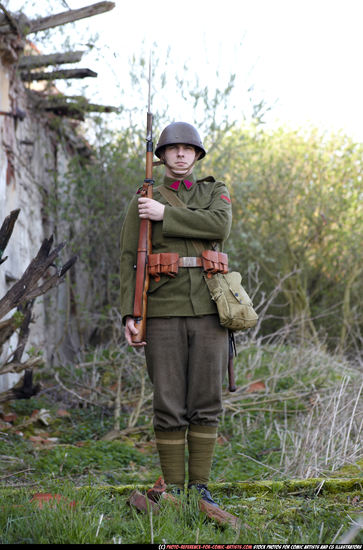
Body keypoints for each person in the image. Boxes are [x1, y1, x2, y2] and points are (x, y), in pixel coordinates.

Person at [119, 122, 232, 504]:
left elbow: (220, 224)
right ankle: (176, 490)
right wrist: (130, 314)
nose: (181, 154)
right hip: (162, 308)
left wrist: (164, 213)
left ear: (197, 155)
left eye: (188, 148)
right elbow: (129, 259)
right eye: (173, 148)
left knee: (206, 400)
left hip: (209, 306)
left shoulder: (213, 190)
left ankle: (200, 488)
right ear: (162, 156)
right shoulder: (144, 197)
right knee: (167, 400)